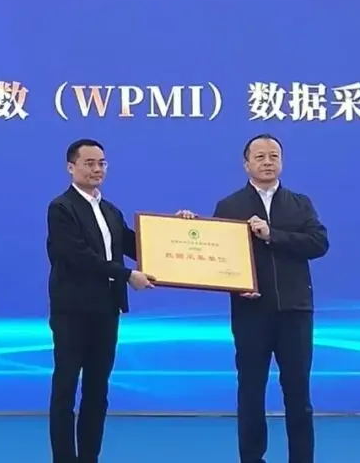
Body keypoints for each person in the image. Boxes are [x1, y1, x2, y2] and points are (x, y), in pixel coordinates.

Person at [177, 134, 328, 463]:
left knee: (298, 393)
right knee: (250, 393)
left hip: (295, 311)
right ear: (246, 164)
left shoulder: (300, 203)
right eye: (260, 156)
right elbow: (214, 258)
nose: (267, 162)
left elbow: (318, 244)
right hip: (251, 313)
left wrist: (272, 234)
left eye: (274, 156)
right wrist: (187, 228)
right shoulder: (230, 206)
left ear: (282, 161)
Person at [46, 138, 156, 463]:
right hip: (72, 312)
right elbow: (80, 257)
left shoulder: (110, 210)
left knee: (97, 390)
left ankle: (89, 457)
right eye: (89, 163)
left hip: (107, 310)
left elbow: (137, 246)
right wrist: (127, 275)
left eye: (102, 163)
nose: (97, 169)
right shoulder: (61, 208)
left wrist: (176, 232)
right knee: (66, 389)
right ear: (71, 167)